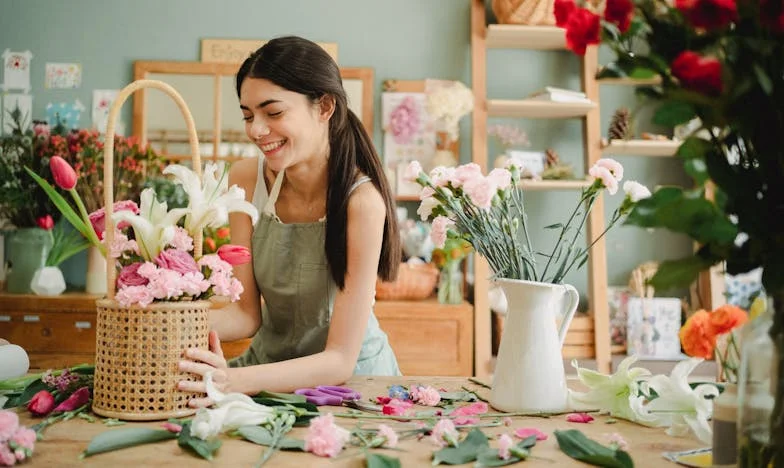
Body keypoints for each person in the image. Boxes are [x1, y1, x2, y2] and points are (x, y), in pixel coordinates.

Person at [177, 36, 401, 407]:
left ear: (325, 106)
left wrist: (231, 380)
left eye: (273, 112)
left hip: (349, 388)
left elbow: (339, 361)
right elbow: (246, 315)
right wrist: (170, 328)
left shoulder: (361, 202)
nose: (257, 130)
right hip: (264, 373)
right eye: (248, 115)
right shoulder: (247, 180)